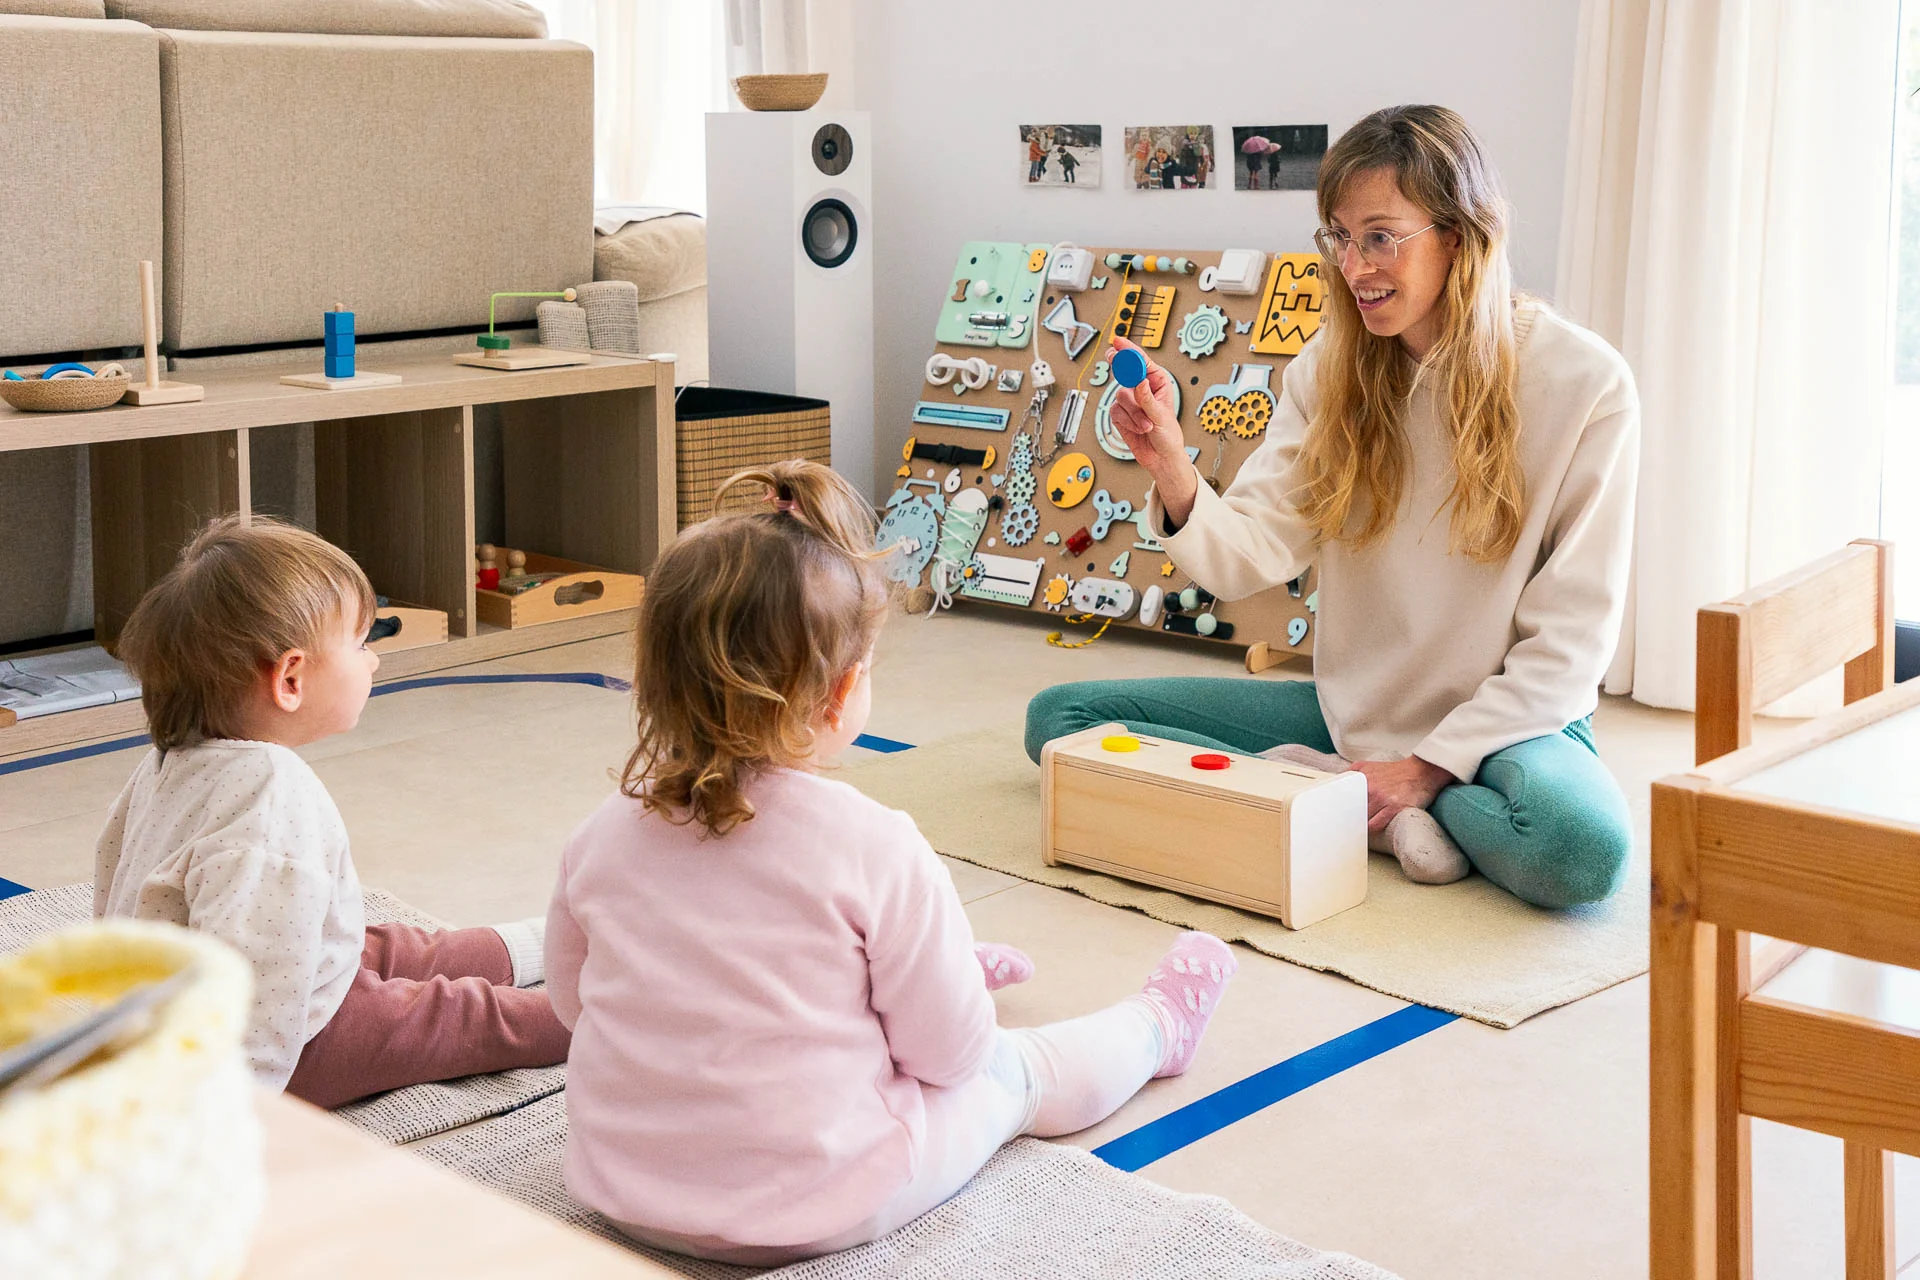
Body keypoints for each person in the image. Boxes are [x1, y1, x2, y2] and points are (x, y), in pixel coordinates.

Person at [546, 461, 1238, 1264]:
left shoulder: (599, 836)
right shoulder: (877, 844)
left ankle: (903, 978)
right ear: (842, 695)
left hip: (620, 1191)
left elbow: (573, 1006)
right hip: (819, 1206)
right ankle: (1156, 1030)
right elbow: (953, 1057)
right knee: (1017, 1075)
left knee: (881, 991)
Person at [1026, 105, 1639, 910]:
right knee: (1063, 717)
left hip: (1510, 732)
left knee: (1579, 851)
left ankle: (1344, 799)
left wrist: (1427, 768)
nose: (1354, 266)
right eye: (1339, 237)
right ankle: (1372, 806)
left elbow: (1570, 647)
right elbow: (1247, 555)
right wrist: (1172, 467)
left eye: (1381, 236)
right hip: (1353, 715)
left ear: (1458, 236)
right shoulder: (1331, 370)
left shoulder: (1586, 386)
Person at [96, 516, 569, 1106]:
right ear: (290, 678)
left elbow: (115, 875)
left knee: (385, 947)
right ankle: (598, 1018)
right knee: (449, 1018)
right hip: (283, 1040)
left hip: (182, 1001)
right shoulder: (270, 792)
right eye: (360, 644)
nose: (372, 661)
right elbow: (255, 990)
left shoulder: (170, 756)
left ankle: (540, 944)